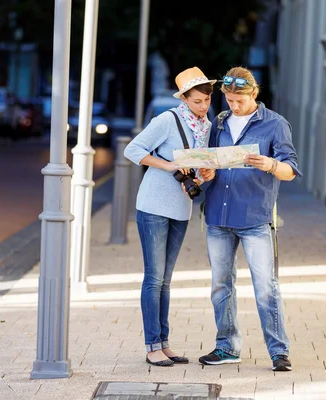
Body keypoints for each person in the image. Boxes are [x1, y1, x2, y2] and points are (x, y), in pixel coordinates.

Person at [198, 66, 302, 371]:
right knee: (220, 286)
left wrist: (270, 164)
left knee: (266, 286)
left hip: (255, 217)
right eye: (229, 100)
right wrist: (207, 172)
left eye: (239, 100)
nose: (233, 106)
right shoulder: (218, 123)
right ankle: (227, 347)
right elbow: (211, 167)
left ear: (253, 93)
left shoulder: (275, 125)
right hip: (218, 215)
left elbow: (291, 170)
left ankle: (279, 352)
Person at [124, 66, 215, 367]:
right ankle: (152, 346)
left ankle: (164, 343)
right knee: (154, 278)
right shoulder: (167, 120)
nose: (203, 107)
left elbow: (198, 172)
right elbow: (133, 150)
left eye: (207, 101)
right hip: (153, 205)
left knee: (166, 280)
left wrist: (203, 176)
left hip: (180, 208)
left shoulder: (206, 127)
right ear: (185, 98)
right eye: (198, 101)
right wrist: (168, 165)